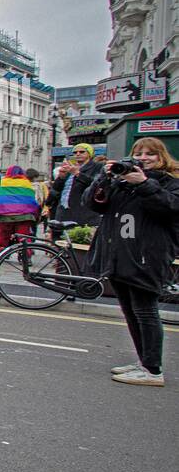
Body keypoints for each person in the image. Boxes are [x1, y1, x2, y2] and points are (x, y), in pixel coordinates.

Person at [86, 137, 179, 387]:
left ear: (162, 158)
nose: (144, 158)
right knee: (131, 312)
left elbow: (171, 208)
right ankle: (143, 361)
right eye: (139, 153)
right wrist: (104, 179)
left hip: (147, 255)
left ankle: (152, 370)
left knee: (146, 312)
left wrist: (145, 184)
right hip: (120, 255)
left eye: (151, 154)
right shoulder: (122, 182)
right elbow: (92, 204)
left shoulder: (169, 183)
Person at [48, 143, 103, 228]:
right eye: (75, 152)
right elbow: (56, 191)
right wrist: (61, 177)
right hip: (63, 212)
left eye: (82, 152)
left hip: (84, 213)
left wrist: (77, 173)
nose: (78, 154)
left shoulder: (97, 166)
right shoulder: (70, 168)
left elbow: (96, 185)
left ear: (89, 154)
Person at [0, 165, 40, 250]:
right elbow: (31, 199)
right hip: (23, 216)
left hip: (4, 215)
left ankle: (1, 253)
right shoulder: (26, 183)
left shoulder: (2, 182)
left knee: (4, 236)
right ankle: (26, 256)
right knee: (23, 237)